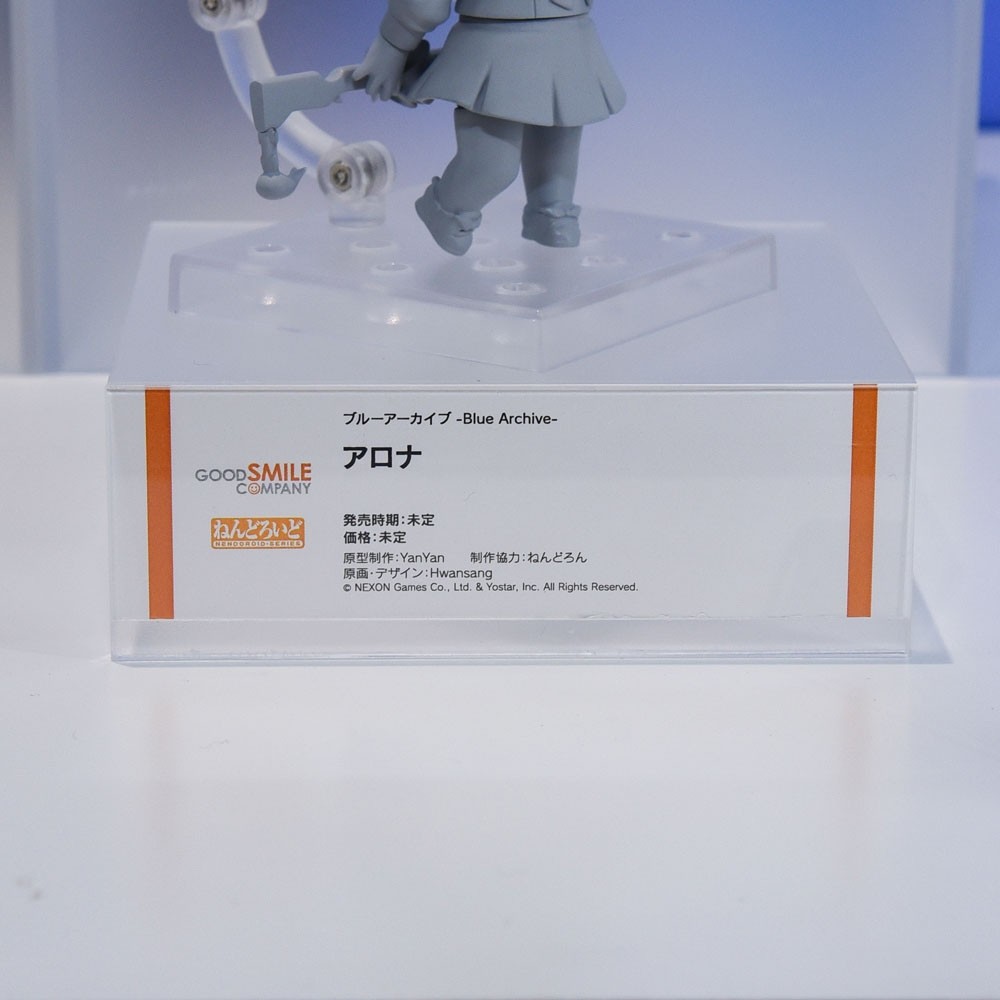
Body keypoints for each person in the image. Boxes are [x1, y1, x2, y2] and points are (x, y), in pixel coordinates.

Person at [354, 0, 625, 255]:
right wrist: (394, 42)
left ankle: (551, 211)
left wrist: (396, 40)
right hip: (496, 37)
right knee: (493, 164)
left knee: (560, 130)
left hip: (570, 32)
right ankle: (445, 211)